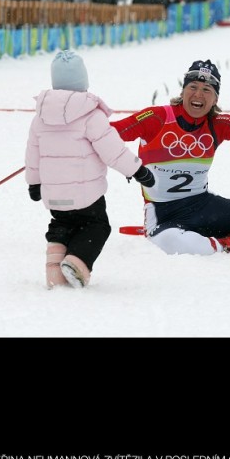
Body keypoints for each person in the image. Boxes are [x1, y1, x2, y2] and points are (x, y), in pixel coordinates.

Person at [110, 58, 230, 255]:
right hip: (163, 216)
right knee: (177, 244)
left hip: (204, 206)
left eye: (207, 90)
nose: (198, 94)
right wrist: (127, 163)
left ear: (215, 99)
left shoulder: (216, 123)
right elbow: (108, 134)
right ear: (183, 91)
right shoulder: (157, 118)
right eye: (193, 87)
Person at [25, 50, 155, 288]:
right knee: (97, 226)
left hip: (54, 196)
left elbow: (32, 154)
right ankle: (77, 263)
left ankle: (54, 273)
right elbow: (112, 150)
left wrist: (34, 183)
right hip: (87, 196)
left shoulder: (40, 117)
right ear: (83, 81)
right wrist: (137, 171)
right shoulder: (90, 115)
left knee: (61, 226)